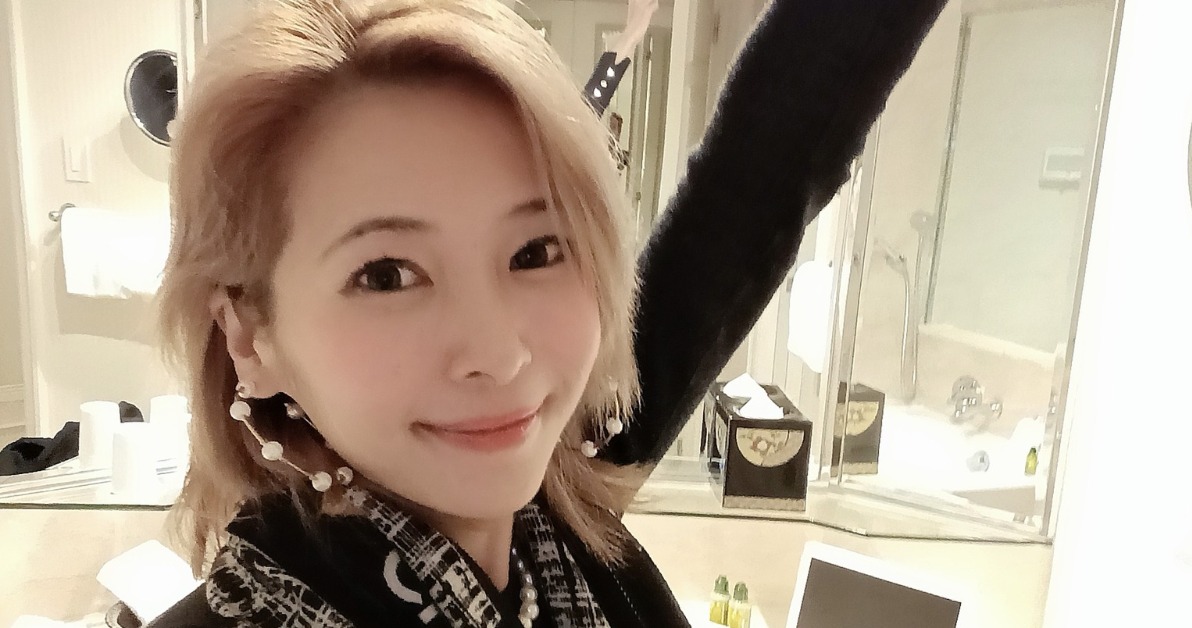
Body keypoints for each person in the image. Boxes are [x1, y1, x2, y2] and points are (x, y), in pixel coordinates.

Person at [151, 0, 947, 626]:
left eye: (536, 251)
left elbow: (772, 161)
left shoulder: (569, 509)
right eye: (387, 275)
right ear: (250, 337)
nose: (500, 355)